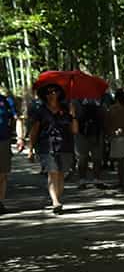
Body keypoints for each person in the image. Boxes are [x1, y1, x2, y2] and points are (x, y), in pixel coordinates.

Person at [26, 85, 78, 214]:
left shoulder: (66, 110)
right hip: (46, 146)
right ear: (45, 95)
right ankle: (55, 201)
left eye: (55, 91)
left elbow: (75, 130)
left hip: (65, 146)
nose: (52, 94)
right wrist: (30, 149)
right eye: (48, 92)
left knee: (61, 174)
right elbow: (34, 131)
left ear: (60, 94)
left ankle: (57, 200)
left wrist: (73, 115)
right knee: (52, 172)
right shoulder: (41, 111)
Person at [104, 89, 124, 190]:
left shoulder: (112, 109)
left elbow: (108, 122)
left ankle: (122, 182)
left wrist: (108, 134)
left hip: (117, 136)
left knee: (120, 160)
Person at [74, 95, 106, 187]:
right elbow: (104, 114)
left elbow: (73, 115)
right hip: (94, 132)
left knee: (84, 157)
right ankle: (95, 178)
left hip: (85, 132)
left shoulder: (77, 100)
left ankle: (83, 179)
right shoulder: (99, 100)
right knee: (95, 156)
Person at [0, 90, 15, 214]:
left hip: (4, 140)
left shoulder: (6, 101)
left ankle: (1, 202)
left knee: (3, 173)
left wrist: (20, 138)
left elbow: (15, 118)